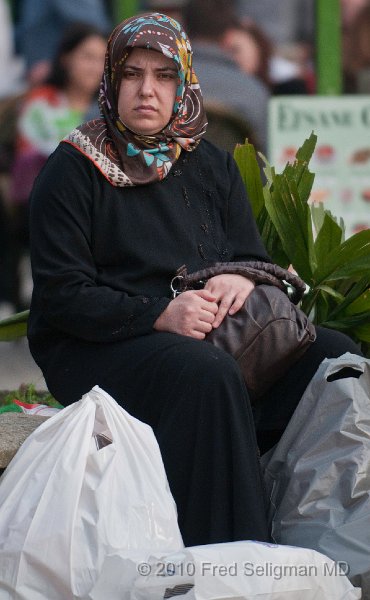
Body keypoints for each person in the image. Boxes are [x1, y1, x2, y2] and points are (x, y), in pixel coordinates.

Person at [28, 12, 361, 548]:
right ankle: (230, 552)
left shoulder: (210, 164)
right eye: (132, 74)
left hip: (206, 334)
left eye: (164, 77)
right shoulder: (72, 170)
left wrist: (243, 281)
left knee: (331, 357)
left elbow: (250, 255)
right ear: (111, 82)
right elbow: (62, 295)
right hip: (97, 344)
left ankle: (317, 537)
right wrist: (159, 314)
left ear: (184, 85)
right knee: (206, 374)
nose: (146, 91)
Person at [9, 22, 106, 309]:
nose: (95, 67)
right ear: (66, 59)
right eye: (87, 57)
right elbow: (35, 159)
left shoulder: (109, 107)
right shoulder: (42, 102)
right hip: (45, 200)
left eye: (102, 59)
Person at [182, 0, 270, 152]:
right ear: (229, 36)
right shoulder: (254, 92)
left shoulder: (159, 86)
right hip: (234, 174)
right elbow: (263, 164)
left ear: (183, 31)